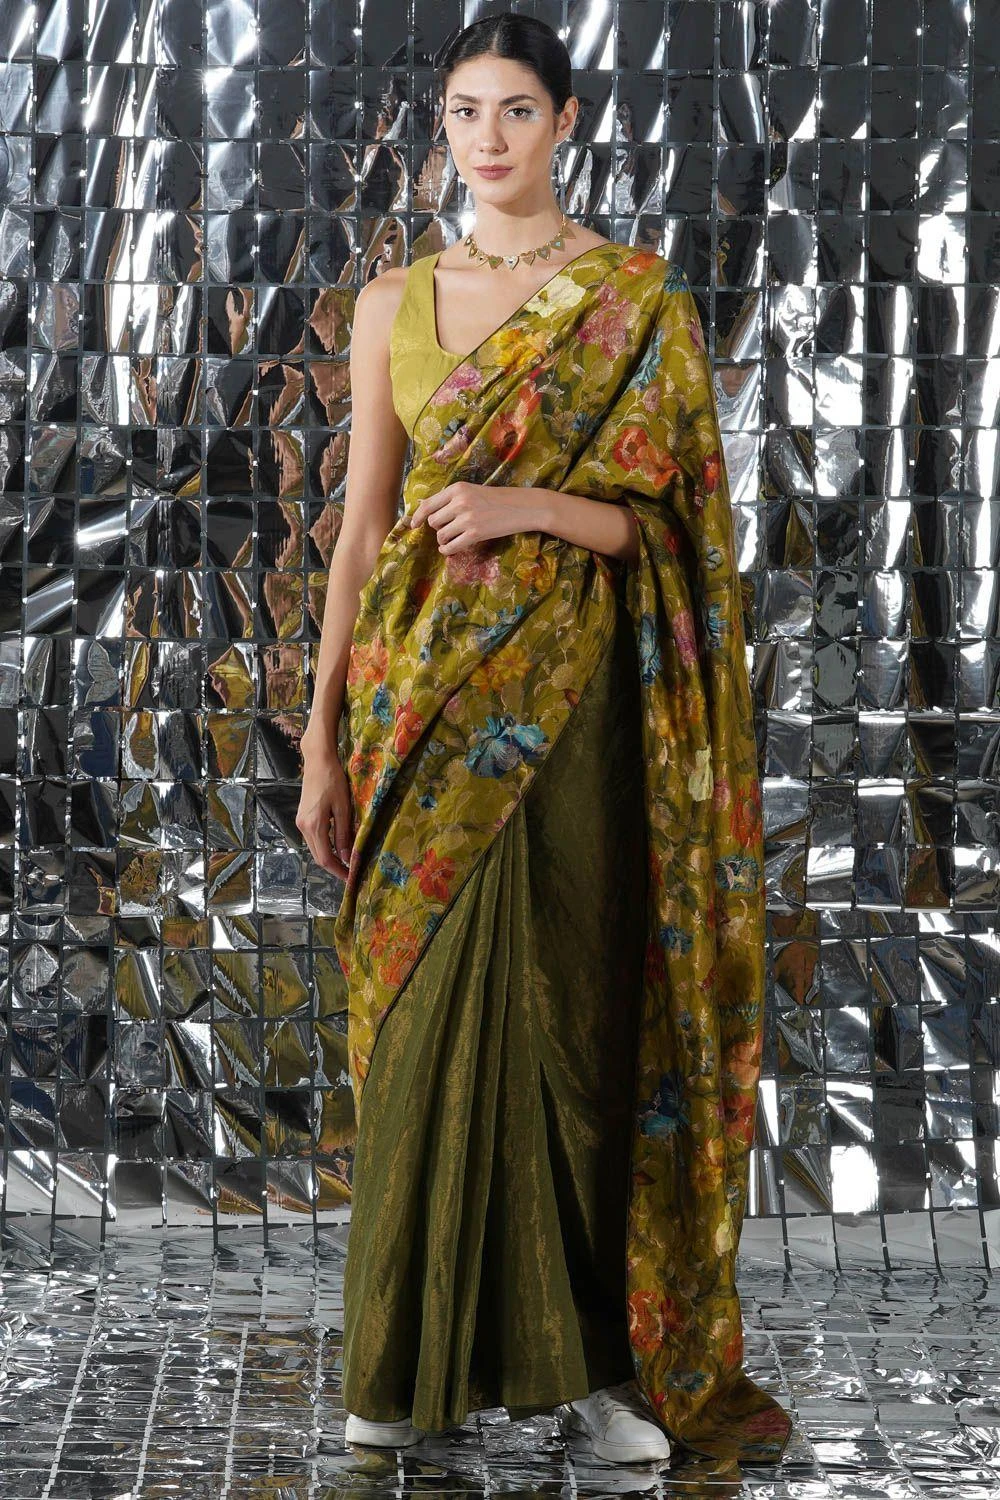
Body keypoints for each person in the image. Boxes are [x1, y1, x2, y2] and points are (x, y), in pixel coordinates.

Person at [296, 12, 793, 1471]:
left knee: (581, 1027)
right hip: (416, 707)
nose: (489, 138)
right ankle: (405, 1370)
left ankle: (597, 1373)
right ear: (440, 127)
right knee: (420, 1027)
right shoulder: (393, 302)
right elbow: (361, 533)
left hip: (576, 714)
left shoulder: (631, 301)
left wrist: (533, 508)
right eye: (465, 111)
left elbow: (680, 533)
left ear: (566, 121)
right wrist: (320, 736)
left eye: (517, 108)